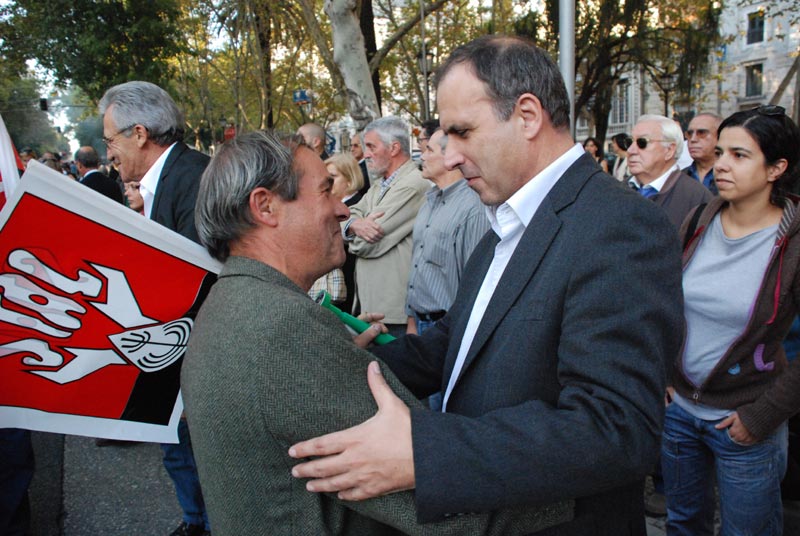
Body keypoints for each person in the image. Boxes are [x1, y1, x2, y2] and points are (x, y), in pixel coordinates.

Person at [289, 35, 684, 535]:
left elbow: (616, 429)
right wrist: (339, 366)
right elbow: (456, 345)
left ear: (527, 116)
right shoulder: (508, 219)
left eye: (462, 132)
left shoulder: (620, 225)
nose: (450, 156)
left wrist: (425, 454)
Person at [182, 130, 570, 535]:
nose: (342, 210)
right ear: (265, 206)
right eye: (326, 191)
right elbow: (432, 496)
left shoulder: (232, 304)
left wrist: (339, 358)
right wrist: (571, 502)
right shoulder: (283, 329)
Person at [663, 105, 800, 536]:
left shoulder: (793, 244)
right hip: (679, 414)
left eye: (739, 155)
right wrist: (665, 374)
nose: (721, 164)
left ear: (776, 168)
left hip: (745, 423)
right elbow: (665, 301)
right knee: (683, 524)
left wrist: (762, 416)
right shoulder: (700, 219)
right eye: (720, 152)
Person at [99, 80, 210, 536]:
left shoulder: (192, 177)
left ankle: (206, 523)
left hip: (190, 349)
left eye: (111, 140)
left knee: (194, 451)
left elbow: (199, 273)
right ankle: (195, 520)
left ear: (140, 134)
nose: (109, 153)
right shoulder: (165, 179)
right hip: (168, 345)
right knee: (175, 448)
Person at [343, 116, 430, 337]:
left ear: (394, 148)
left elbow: (365, 245)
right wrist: (355, 224)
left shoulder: (413, 184)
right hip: (374, 306)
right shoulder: (379, 185)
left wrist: (350, 233)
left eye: (371, 147)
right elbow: (347, 214)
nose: (366, 154)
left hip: (394, 312)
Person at [406, 127, 489, 337]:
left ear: (450, 157)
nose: (422, 156)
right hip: (420, 324)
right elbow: (417, 265)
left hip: (448, 330)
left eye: (429, 150)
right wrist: (412, 320)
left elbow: (475, 284)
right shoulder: (429, 201)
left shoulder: (473, 209)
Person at [627, 114, 713, 229]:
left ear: (669, 150)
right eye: (629, 142)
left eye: (642, 143)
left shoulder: (697, 197)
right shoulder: (617, 189)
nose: (631, 150)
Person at [321, 152, 365, 314]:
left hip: (350, 283)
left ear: (350, 179)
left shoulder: (358, 206)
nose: (328, 182)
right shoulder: (330, 205)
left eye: (333, 177)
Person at [683, 112, 722, 195]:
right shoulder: (678, 178)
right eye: (689, 134)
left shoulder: (733, 175)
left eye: (701, 133)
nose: (693, 139)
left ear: (719, 137)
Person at [349, 132, 372, 197]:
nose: (352, 149)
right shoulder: (356, 166)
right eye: (351, 146)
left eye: (356, 146)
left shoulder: (367, 168)